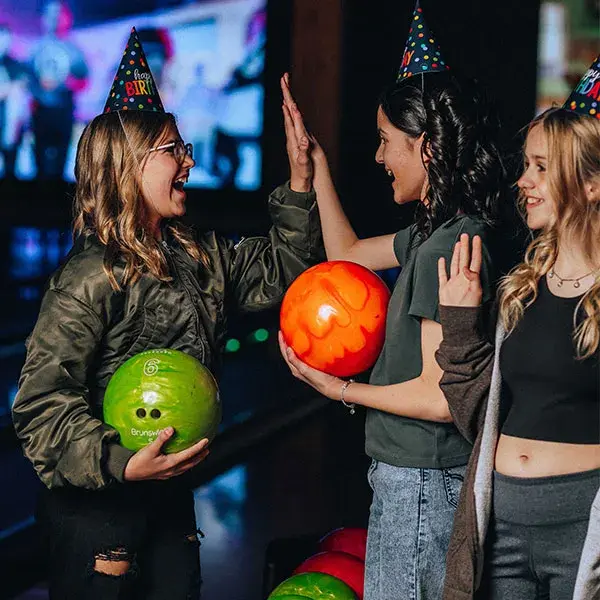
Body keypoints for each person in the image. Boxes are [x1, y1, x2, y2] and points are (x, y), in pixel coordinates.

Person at [11, 28, 323, 599]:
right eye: (173, 150)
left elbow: (281, 267)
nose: (189, 161)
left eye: (185, 148)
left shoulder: (198, 257)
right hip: (98, 513)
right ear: (128, 166)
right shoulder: (90, 277)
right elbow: (39, 407)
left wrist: (301, 181)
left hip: (170, 499)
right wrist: (121, 463)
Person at [277, 3, 510, 598]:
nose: (378, 157)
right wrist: (316, 167)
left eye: (386, 142)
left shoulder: (446, 248)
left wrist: (340, 390)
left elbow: (439, 397)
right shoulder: (443, 231)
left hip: (424, 481)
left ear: (426, 145)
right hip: (414, 478)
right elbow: (348, 254)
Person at [435, 54, 600, 600]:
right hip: (501, 525)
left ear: (592, 185)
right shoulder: (521, 288)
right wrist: (460, 326)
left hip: (582, 530)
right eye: (525, 166)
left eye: (540, 168)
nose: (522, 181)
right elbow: (477, 416)